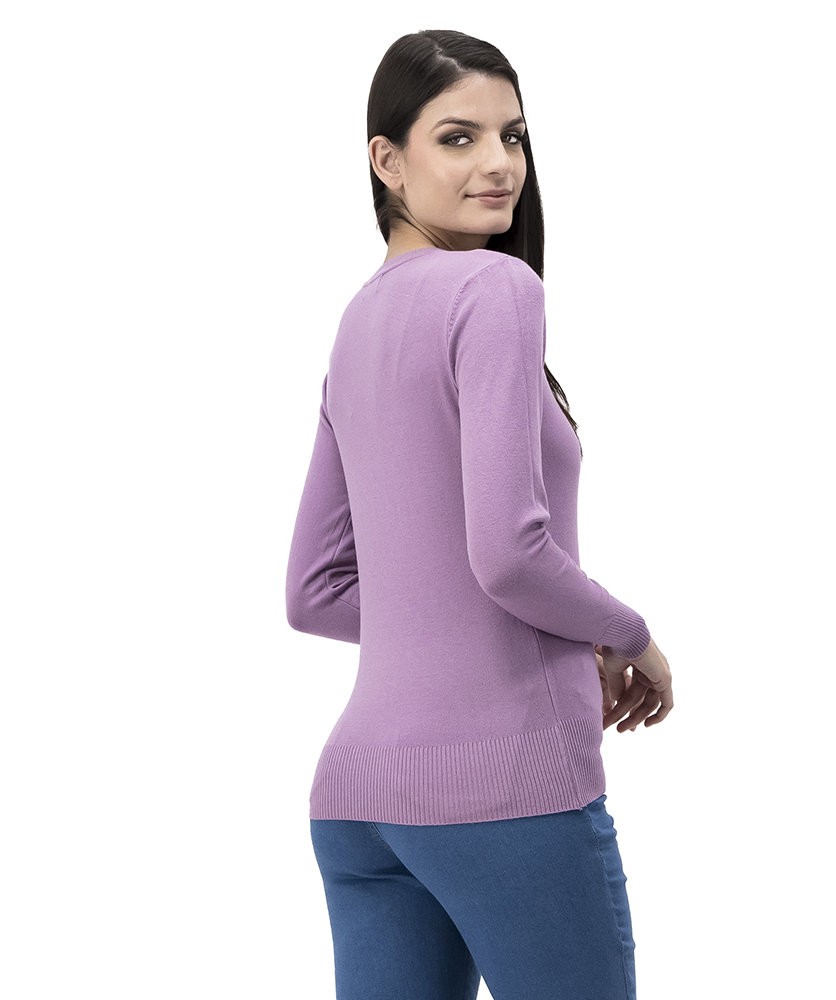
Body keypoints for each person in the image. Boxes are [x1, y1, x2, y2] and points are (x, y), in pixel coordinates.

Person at [286, 28, 674, 1000]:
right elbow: (508, 552)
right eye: (458, 138)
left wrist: (483, 631)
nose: (499, 164)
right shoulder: (495, 288)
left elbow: (315, 591)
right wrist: (625, 633)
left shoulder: (357, 323)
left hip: (358, 800)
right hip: (504, 792)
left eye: (514, 136)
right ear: (387, 162)